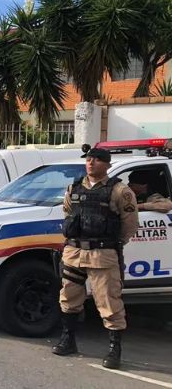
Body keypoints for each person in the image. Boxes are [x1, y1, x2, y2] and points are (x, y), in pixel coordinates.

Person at [52, 148, 138, 369]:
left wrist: (113, 244)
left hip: (102, 253)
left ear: (107, 164)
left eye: (97, 160)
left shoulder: (120, 190)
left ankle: (114, 350)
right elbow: (68, 213)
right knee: (69, 297)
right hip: (74, 253)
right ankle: (68, 340)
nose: (91, 163)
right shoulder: (74, 188)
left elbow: (129, 224)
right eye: (88, 160)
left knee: (109, 302)